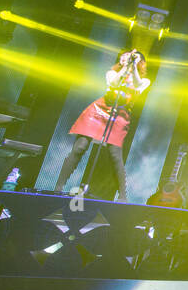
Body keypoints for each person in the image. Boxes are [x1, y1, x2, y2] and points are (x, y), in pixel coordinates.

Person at [54, 49, 150, 202]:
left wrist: (134, 66)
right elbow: (114, 83)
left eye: (132, 57)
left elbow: (138, 85)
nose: (128, 58)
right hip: (100, 110)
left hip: (120, 114)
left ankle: (123, 196)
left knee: (115, 155)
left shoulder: (144, 81)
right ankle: (58, 187)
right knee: (80, 147)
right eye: (125, 56)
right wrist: (125, 68)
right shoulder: (111, 73)